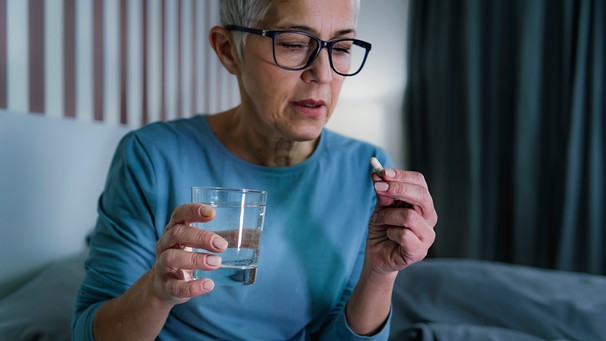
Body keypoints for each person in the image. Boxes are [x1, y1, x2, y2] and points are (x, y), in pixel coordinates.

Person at [72, 0, 438, 340]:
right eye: (294, 43)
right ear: (229, 50)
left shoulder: (366, 168)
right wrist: (156, 292)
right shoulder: (152, 156)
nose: (323, 74)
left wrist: (380, 272)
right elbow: (88, 331)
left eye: (341, 48)